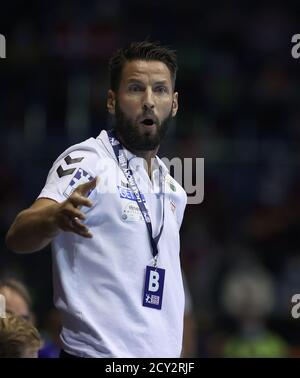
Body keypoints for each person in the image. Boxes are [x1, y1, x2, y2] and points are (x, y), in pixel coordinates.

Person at [6, 41, 187, 358]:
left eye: (159, 90)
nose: (148, 101)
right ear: (111, 100)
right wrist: (53, 218)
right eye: (135, 88)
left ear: (173, 104)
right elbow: (18, 235)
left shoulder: (174, 190)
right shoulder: (87, 160)